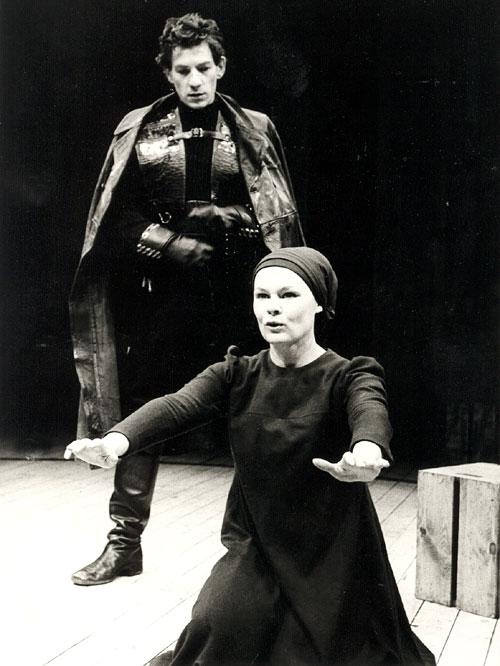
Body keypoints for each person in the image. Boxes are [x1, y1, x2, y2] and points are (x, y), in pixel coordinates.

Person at [65, 247, 435, 666]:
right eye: (263, 296)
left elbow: (369, 408)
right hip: (254, 538)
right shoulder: (236, 373)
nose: (272, 308)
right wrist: (115, 442)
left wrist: (367, 450)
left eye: (288, 295)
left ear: (319, 303)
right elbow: (177, 405)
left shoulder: (349, 374)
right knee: (213, 626)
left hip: (332, 549)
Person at [68, 13, 304, 586]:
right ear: (168, 73)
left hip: (239, 294)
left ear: (220, 66)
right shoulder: (139, 129)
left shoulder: (255, 129)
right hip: (163, 298)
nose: (195, 80)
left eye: (203, 67)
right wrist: (170, 243)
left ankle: (264, 547)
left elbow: (277, 213)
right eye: (183, 70)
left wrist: (224, 218)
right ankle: (124, 544)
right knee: (143, 409)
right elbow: (114, 216)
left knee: (257, 409)